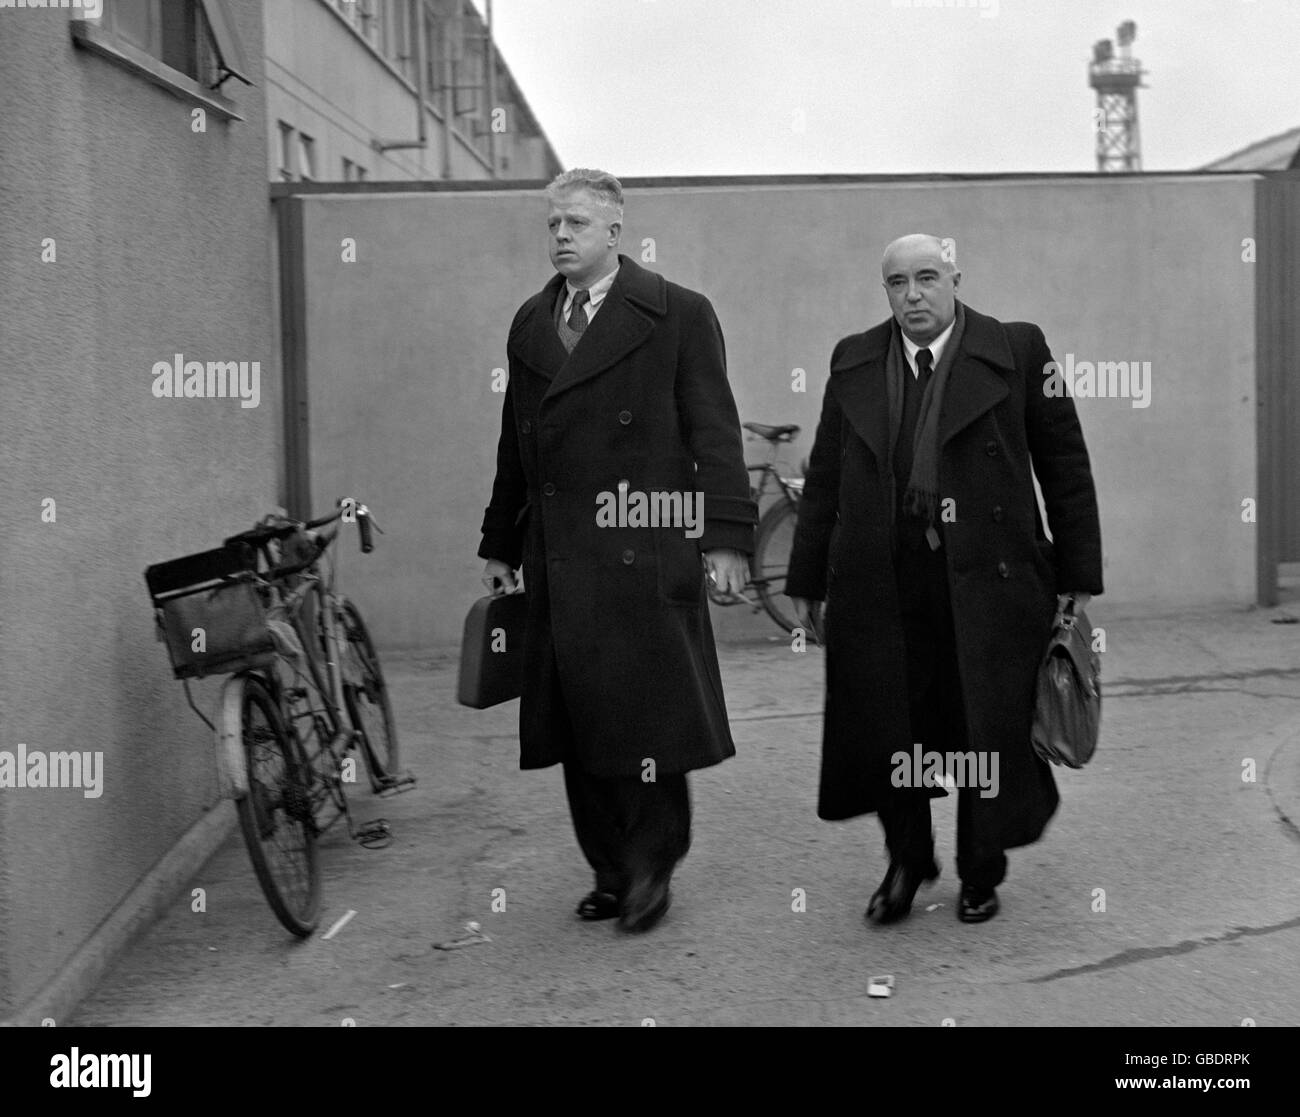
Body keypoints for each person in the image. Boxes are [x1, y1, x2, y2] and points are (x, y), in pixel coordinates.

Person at [786, 233, 1103, 925]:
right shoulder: (856, 358)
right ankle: (907, 858)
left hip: (990, 584)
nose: (913, 295)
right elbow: (827, 479)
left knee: (983, 726)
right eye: (897, 283)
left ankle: (979, 868)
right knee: (893, 727)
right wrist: (808, 578)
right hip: (883, 586)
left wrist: (1078, 575)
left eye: (926, 277)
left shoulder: (1016, 350)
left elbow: (1065, 465)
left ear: (956, 277)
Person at [477, 169, 755, 933]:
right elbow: (517, 444)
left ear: (614, 233)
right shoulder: (533, 322)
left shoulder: (677, 316)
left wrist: (728, 538)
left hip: (646, 545)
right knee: (577, 723)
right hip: (561, 554)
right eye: (553, 224)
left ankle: (651, 867)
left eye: (576, 224)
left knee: (647, 722)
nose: (561, 236)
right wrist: (500, 541)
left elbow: (714, 434)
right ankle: (607, 866)